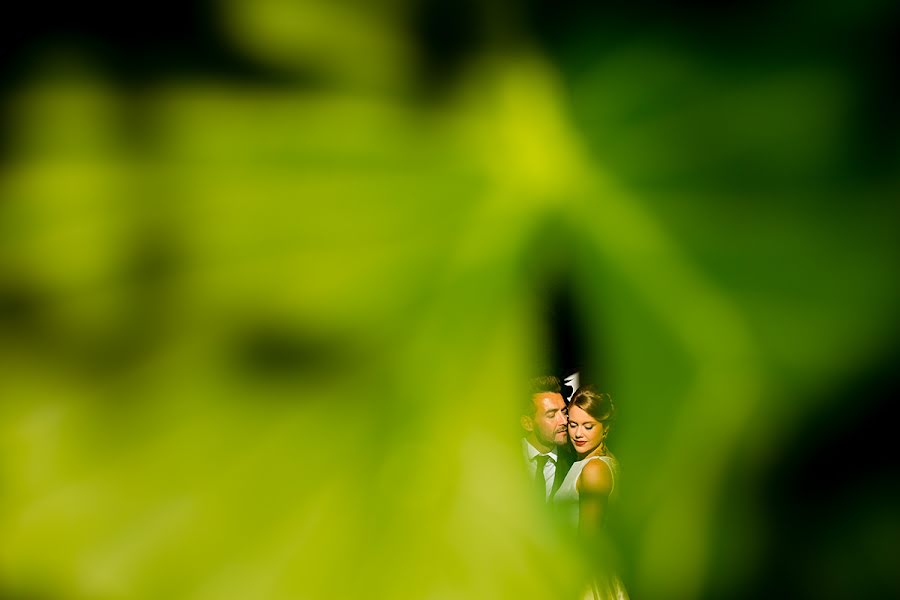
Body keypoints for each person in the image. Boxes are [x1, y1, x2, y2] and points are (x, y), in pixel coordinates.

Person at [554, 387, 628, 600]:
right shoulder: (596, 463)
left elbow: (589, 538)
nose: (578, 434)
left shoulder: (594, 469)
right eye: (573, 425)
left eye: (588, 426)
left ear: (605, 429)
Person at [521, 376, 572, 502]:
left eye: (564, 412)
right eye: (551, 415)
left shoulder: (572, 462)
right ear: (528, 423)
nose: (564, 421)